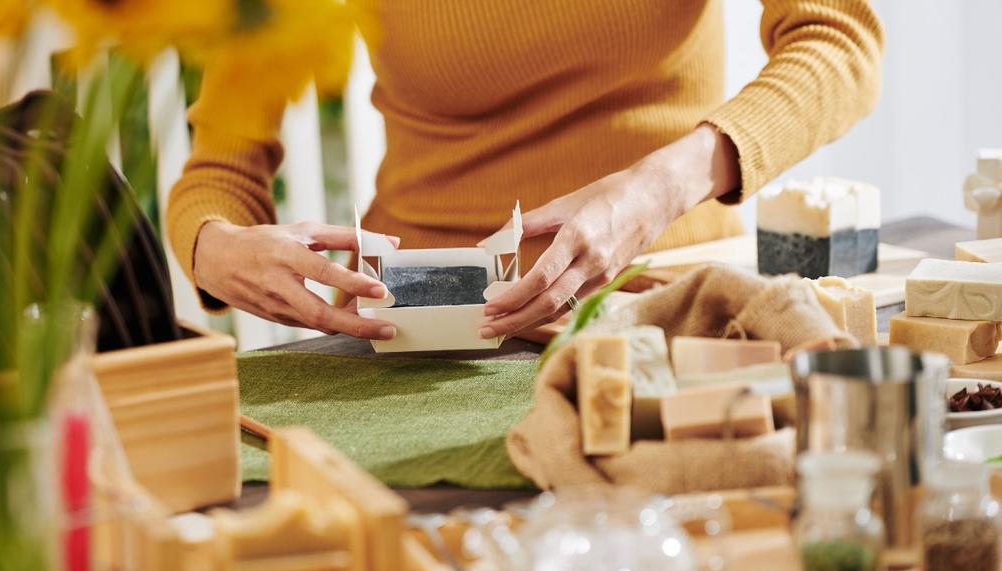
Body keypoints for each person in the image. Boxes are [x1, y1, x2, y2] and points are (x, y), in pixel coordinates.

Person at [167, 1, 883, 341]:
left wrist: (659, 187)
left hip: (674, 301)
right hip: (429, 338)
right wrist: (212, 247)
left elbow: (839, 41)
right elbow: (220, 173)